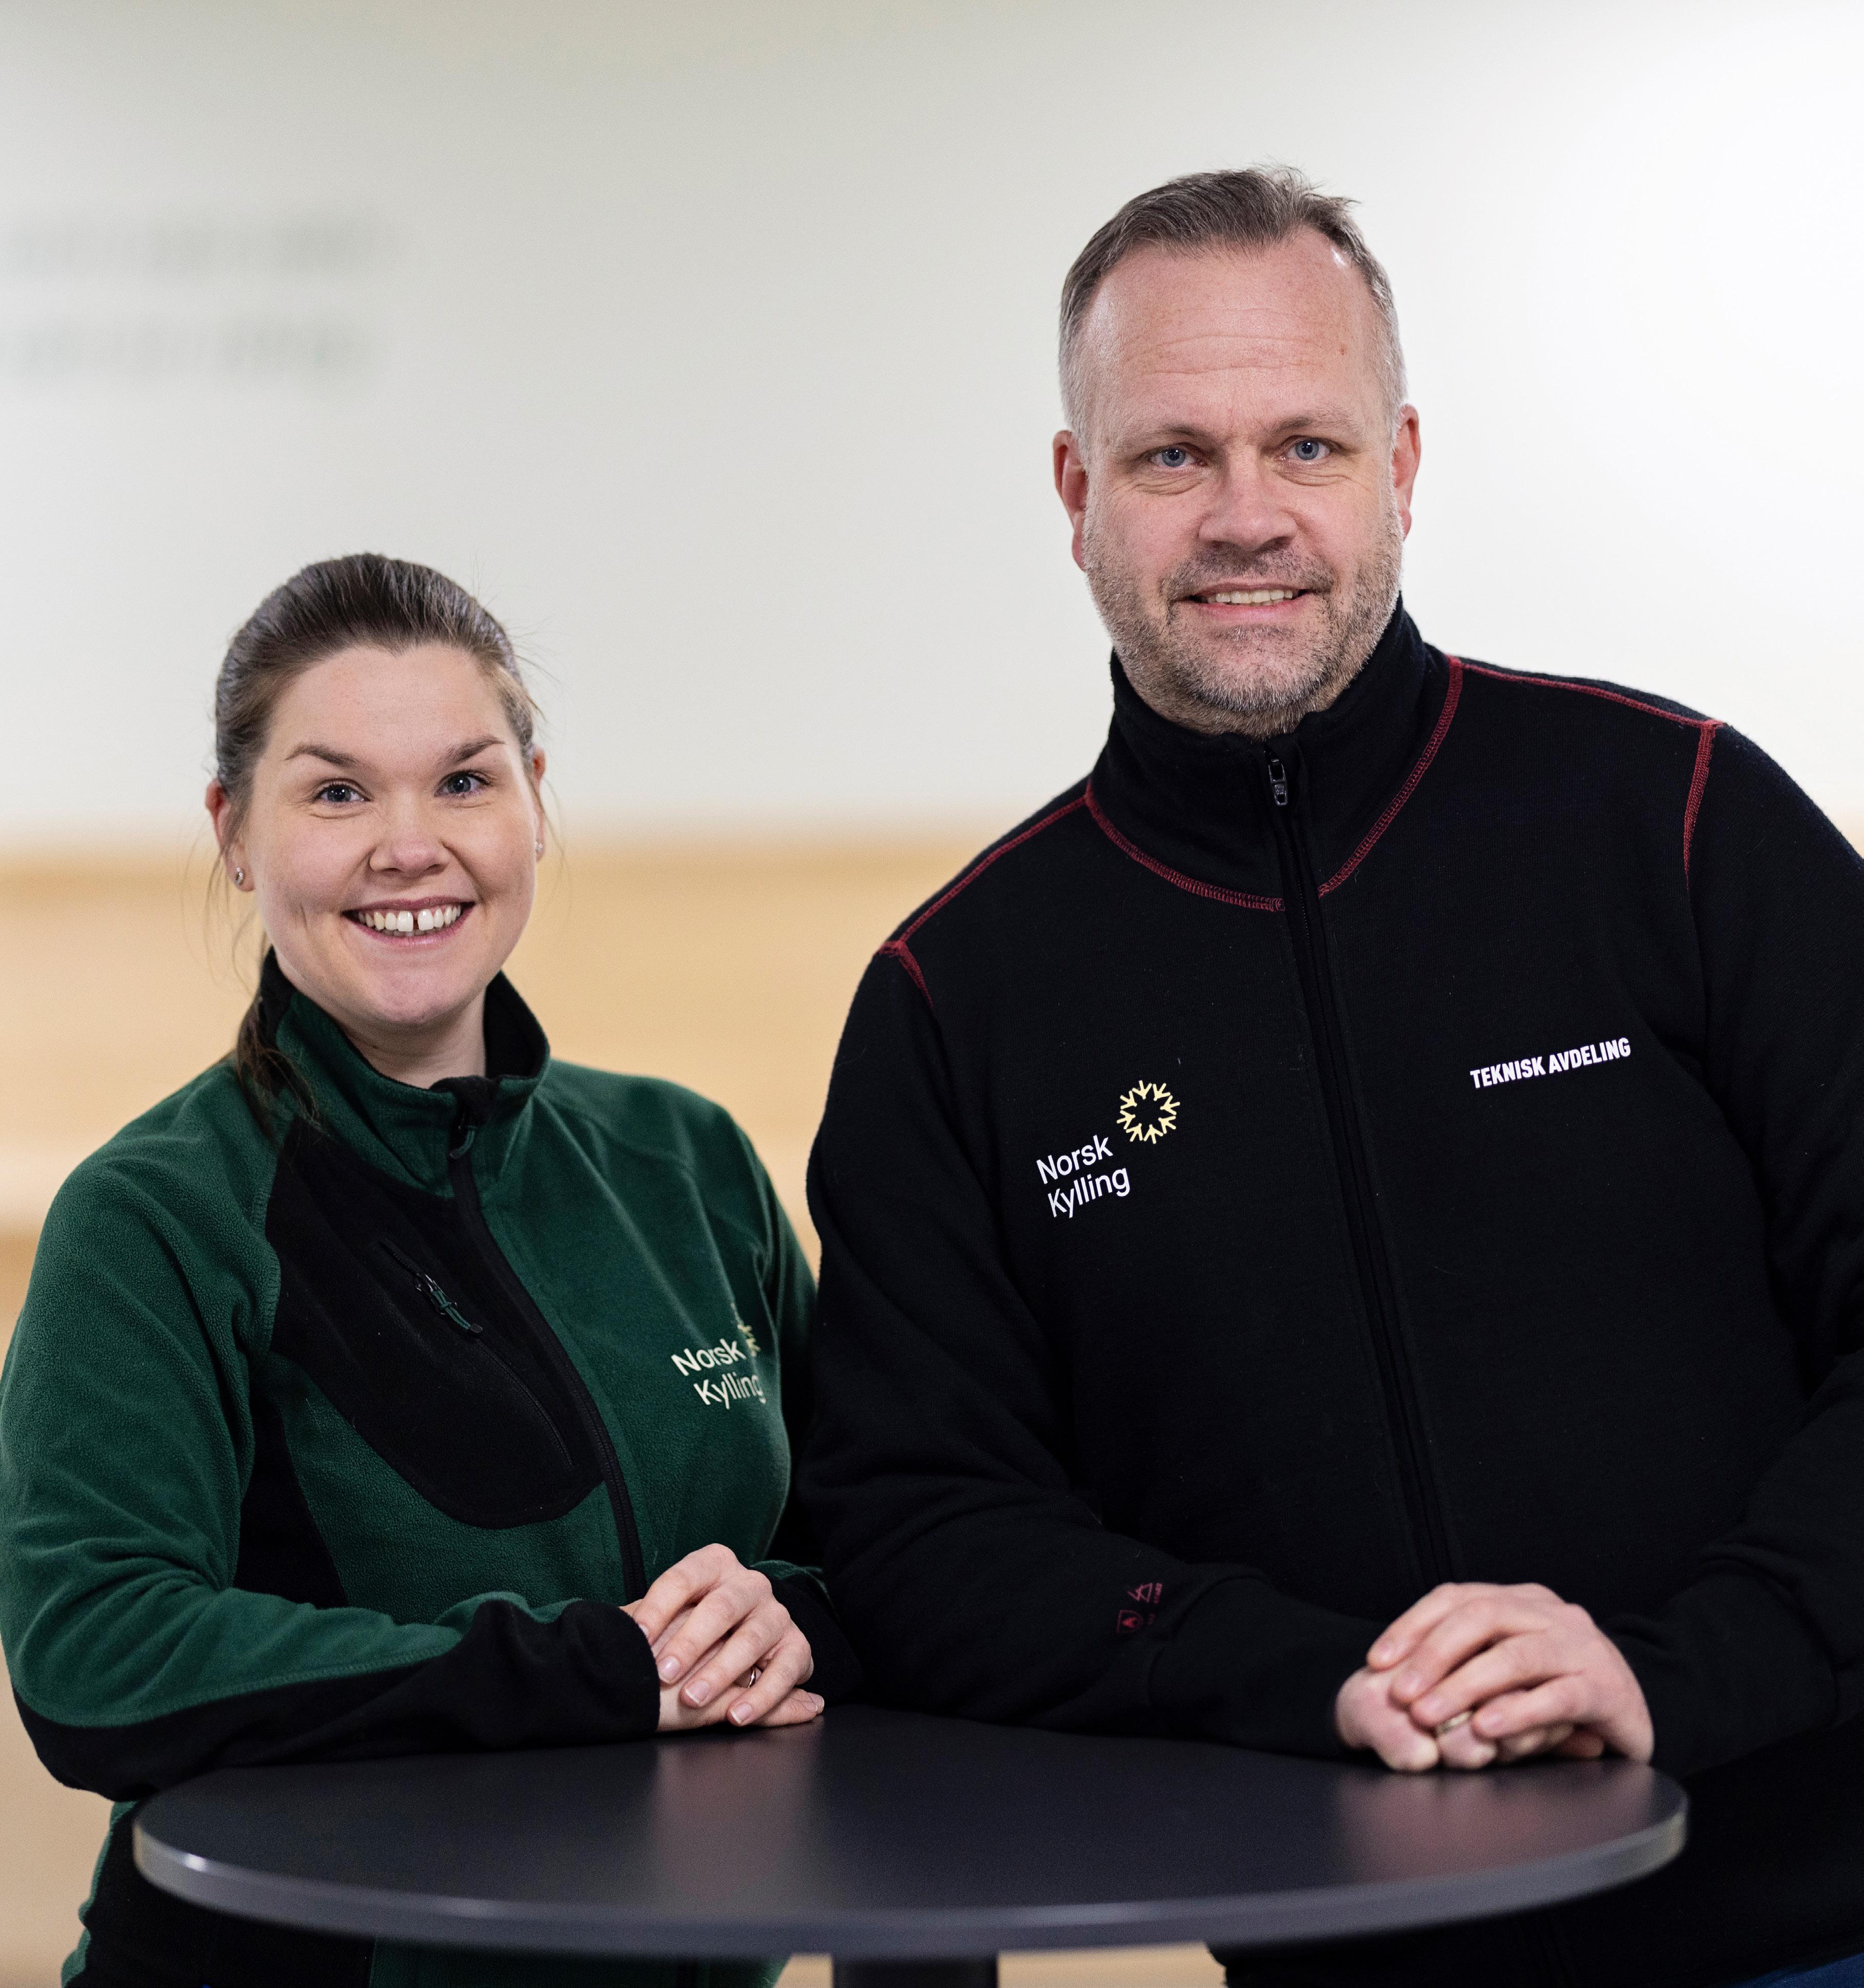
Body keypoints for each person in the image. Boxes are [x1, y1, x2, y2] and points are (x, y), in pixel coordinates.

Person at [801, 168, 1864, 1988]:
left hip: (1812, 1930)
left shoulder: (1682, 825)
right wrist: (1313, 1679)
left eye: (1305, 444)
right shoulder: (954, 999)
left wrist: (1672, 1672)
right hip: (1338, 1950)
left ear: (1401, 463)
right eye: (1171, 455)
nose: (1245, 516)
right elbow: (920, 1529)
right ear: (1074, 494)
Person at [0, 553, 859, 1988]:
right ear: (234, 832)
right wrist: (590, 1671)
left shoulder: (687, 1164)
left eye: (464, 781)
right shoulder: (154, 1219)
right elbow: (97, 1655)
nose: (411, 846)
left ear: (535, 802)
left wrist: (799, 1616)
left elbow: (875, 1529)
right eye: (338, 793)